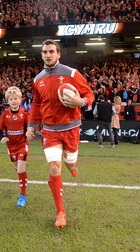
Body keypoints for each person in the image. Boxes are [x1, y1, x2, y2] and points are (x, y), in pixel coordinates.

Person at [26, 39, 94, 228]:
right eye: (44, 52)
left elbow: (90, 94)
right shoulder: (37, 79)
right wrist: (31, 124)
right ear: (41, 55)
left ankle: (72, 166)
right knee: (55, 168)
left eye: (51, 51)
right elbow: (37, 104)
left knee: (69, 164)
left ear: (58, 54)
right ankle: (60, 212)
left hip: (71, 129)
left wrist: (81, 103)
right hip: (49, 131)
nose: (48, 55)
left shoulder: (71, 74)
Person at [0, 86, 30, 207]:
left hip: (22, 144)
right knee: (18, 170)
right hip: (11, 147)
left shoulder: (25, 114)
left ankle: (23, 196)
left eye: (16, 98)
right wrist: (2, 138)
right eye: (11, 99)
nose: (14, 101)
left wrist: (29, 133)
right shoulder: (5, 115)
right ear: (8, 101)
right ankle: (23, 180)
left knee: (20, 169)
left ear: (20, 100)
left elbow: (30, 128)